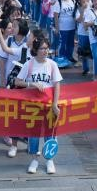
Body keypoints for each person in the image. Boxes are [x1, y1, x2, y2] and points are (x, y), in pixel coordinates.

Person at [13, 34, 61, 174]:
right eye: (42, 48)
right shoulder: (29, 64)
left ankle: (49, 160)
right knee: (33, 133)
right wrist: (31, 84)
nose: (45, 51)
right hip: (33, 105)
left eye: (47, 48)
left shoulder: (52, 65)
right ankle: (34, 159)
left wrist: (55, 104)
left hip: (48, 104)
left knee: (49, 133)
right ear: (36, 50)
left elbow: (57, 85)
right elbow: (17, 81)